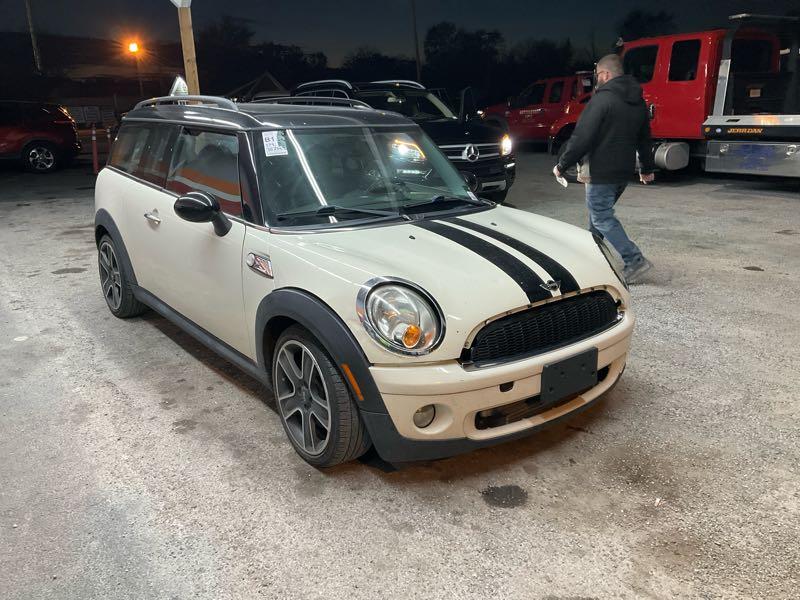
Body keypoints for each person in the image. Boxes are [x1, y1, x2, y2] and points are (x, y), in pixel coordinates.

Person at [554, 53, 655, 283]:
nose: (597, 78)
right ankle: (594, 257)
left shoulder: (602, 99)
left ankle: (635, 260)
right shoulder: (638, 101)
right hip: (622, 172)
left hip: (600, 170)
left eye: (598, 74)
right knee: (597, 217)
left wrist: (562, 164)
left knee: (601, 217)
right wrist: (646, 167)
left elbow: (582, 137)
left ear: (606, 74)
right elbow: (644, 138)